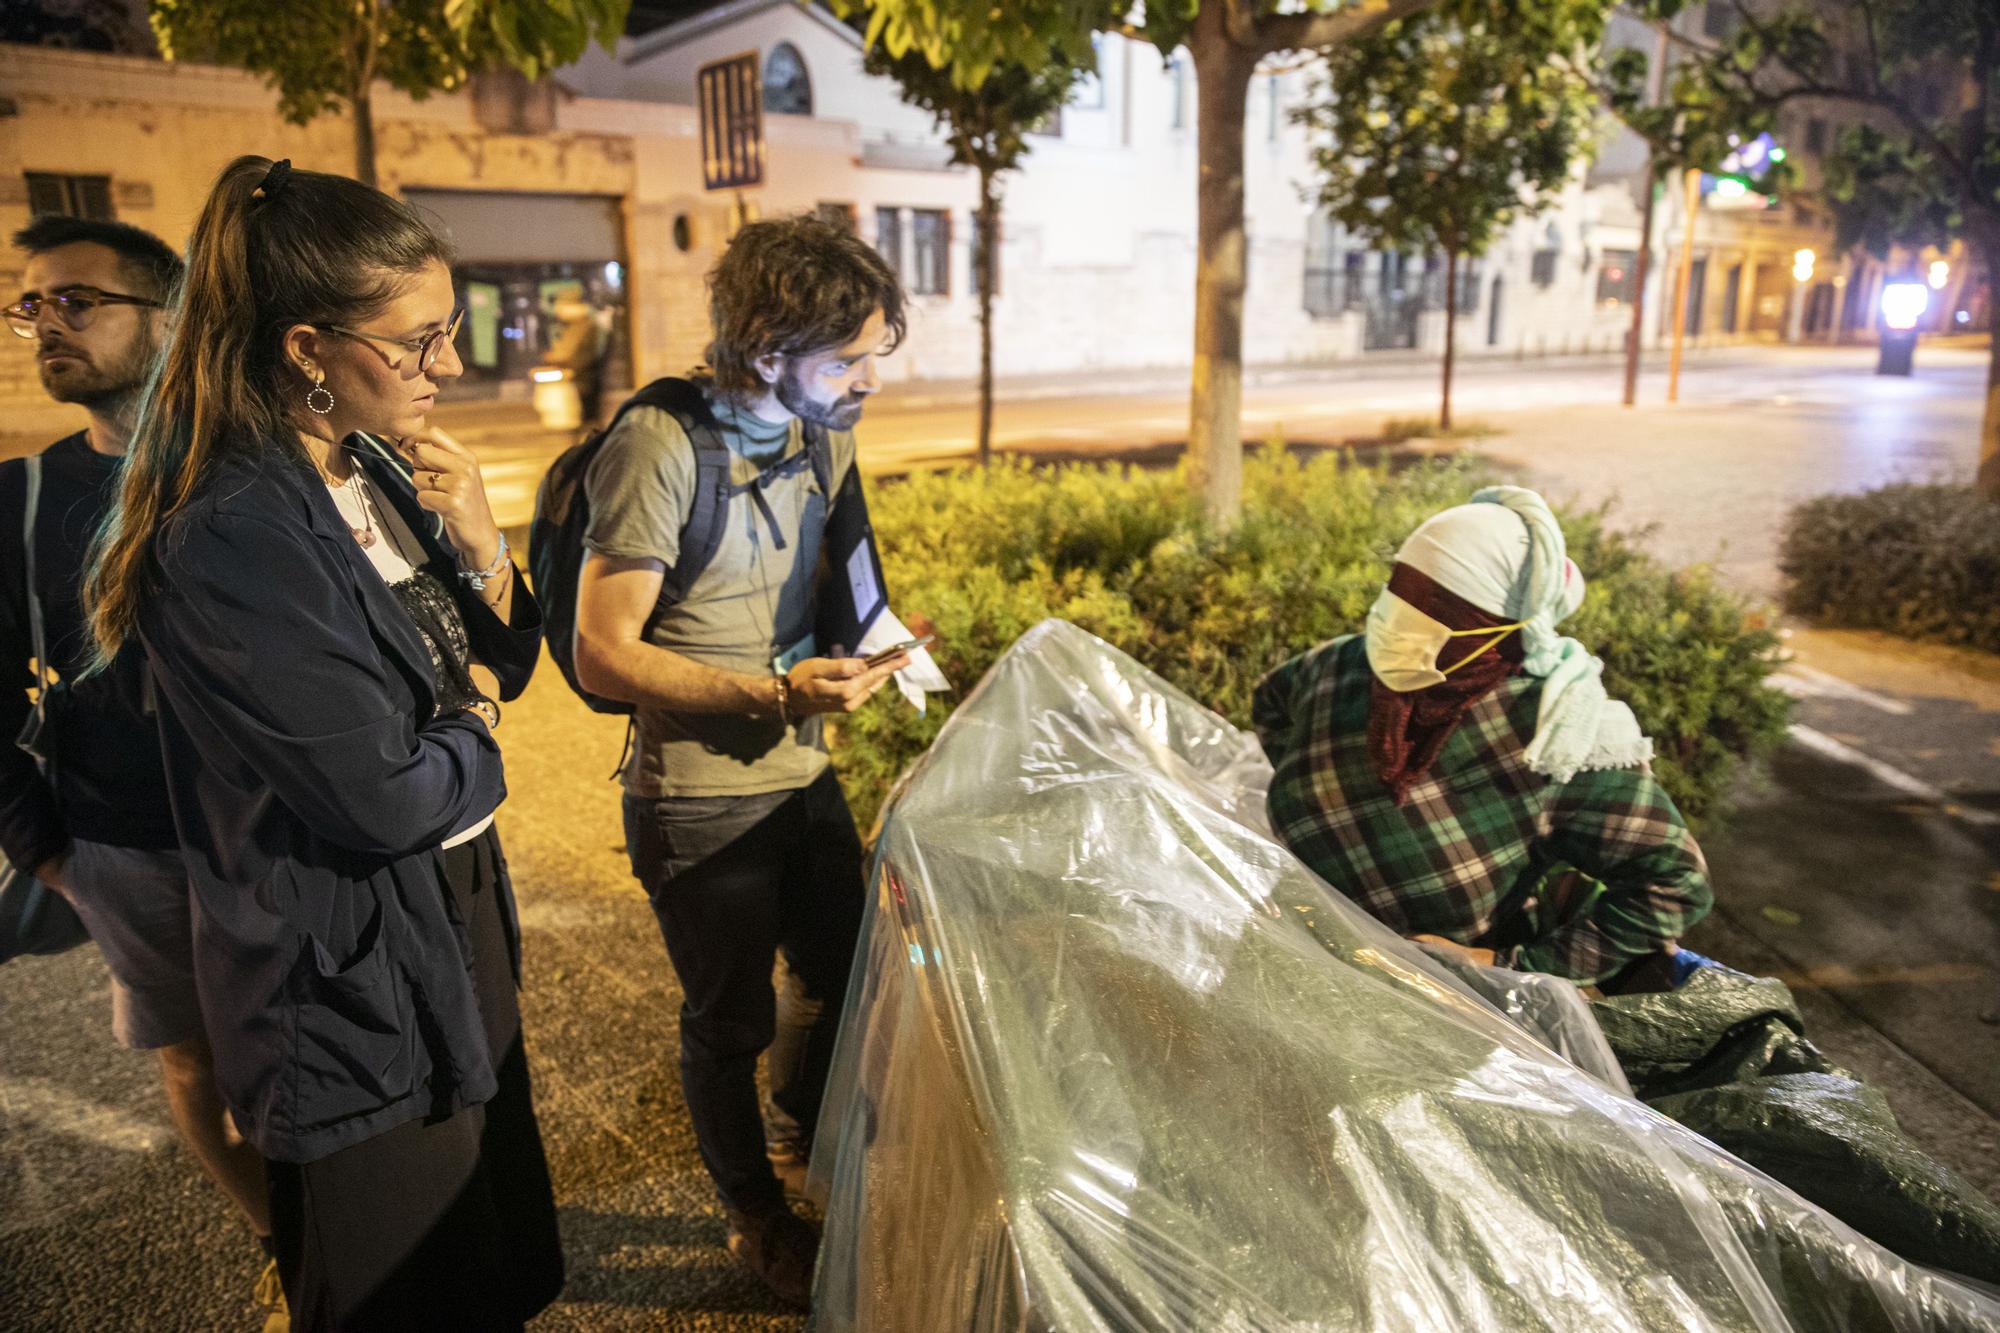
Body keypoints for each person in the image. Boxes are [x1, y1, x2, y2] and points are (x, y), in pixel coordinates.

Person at [83, 157, 560, 1331]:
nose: (447, 365)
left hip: (447, 905)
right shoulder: (236, 529)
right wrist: (478, 742)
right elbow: (386, 795)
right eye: (415, 342)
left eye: (447, 331)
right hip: (342, 955)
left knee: (484, 1234)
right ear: (306, 347)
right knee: (404, 1272)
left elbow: (495, 662)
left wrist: (484, 541)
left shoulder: (376, 466)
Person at [573, 216, 922, 1306]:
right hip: (697, 800)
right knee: (727, 1020)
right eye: (846, 359)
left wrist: (877, 640)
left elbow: (835, 575)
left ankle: (793, 1152)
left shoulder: (825, 434)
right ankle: (755, 1218)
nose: (868, 380)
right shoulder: (659, 445)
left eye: (876, 353)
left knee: (840, 978)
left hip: (802, 773)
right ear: (767, 351)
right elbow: (603, 647)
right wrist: (771, 693)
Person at [0, 216, 290, 1313]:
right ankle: (278, 1230)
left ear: (168, 320)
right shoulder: (17, 499)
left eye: (78, 300)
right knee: (193, 1067)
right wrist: (47, 851)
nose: (45, 325)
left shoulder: (251, 473)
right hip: (122, 846)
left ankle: (351, 1226)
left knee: (307, 1048)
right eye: (31, 304)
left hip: (271, 834)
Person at [1253, 486, 1713, 990]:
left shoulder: (1556, 740)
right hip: (1287, 948)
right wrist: (1322, 800)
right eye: (1399, 591)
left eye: (1436, 608)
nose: (1399, 620)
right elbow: (1271, 705)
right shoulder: (1342, 666)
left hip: (1416, 1006)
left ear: (1500, 629)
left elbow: (1673, 883)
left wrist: (1508, 965)